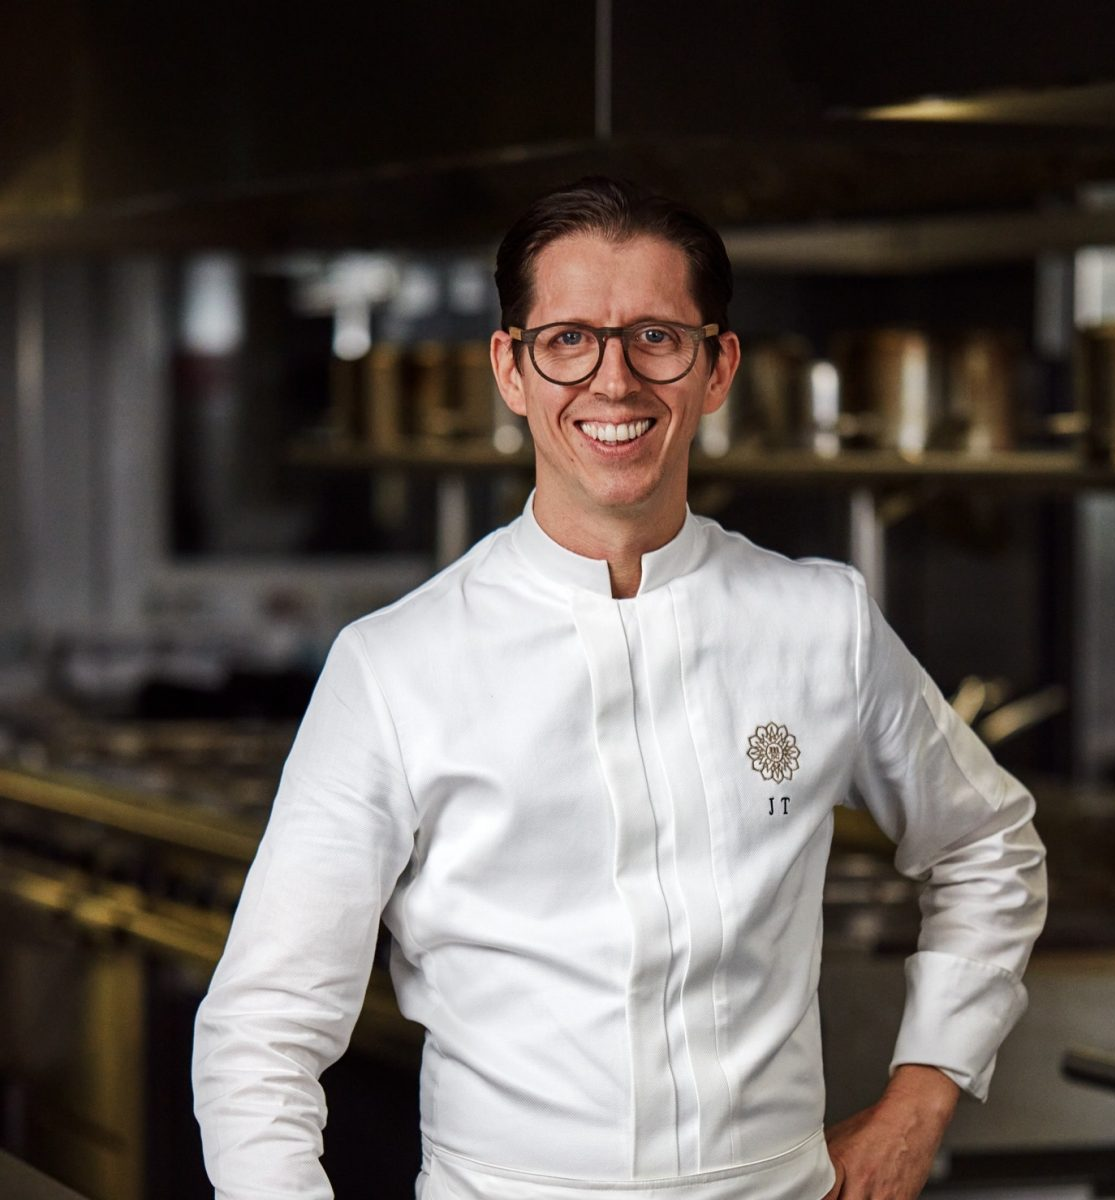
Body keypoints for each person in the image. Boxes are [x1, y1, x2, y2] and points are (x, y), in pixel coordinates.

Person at [192, 176, 1047, 1200]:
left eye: (656, 337)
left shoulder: (822, 622)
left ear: (716, 367)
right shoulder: (396, 665)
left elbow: (987, 846)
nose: (614, 381)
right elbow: (263, 1028)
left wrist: (924, 1093)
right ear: (511, 369)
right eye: (568, 340)